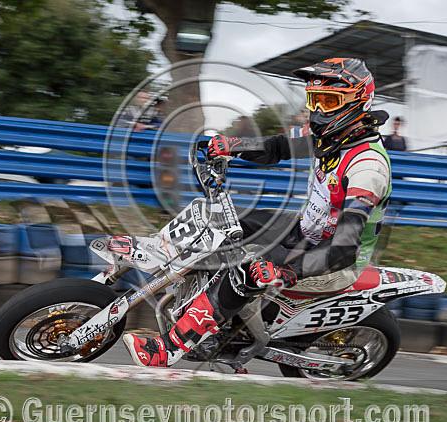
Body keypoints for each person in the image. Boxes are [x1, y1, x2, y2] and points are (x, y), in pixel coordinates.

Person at [123, 57, 392, 368]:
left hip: (333, 261)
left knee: (246, 271)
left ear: (358, 103)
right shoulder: (329, 138)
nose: (318, 111)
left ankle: (173, 347)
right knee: (224, 219)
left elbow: (344, 248)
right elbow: (277, 147)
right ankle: (158, 253)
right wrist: (232, 145)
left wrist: (284, 272)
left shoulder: (367, 167)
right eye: (314, 100)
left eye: (329, 101)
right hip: (306, 231)